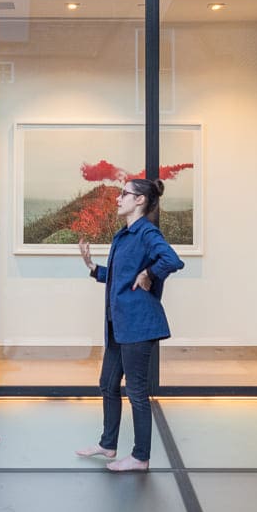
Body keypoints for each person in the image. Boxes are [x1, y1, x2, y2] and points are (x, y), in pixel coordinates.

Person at [75, 178, 184, 472]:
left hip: (139, 325)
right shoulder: (124, 235)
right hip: (118, 324)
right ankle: (108, 445)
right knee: (108, 385)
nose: (118, 198)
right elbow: (121, 276)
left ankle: (140, 457)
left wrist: (149, 272)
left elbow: (172, 260)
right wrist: (93, 268)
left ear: (140, 201)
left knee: (136, 392)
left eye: (124, 194)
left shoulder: (147, 232)